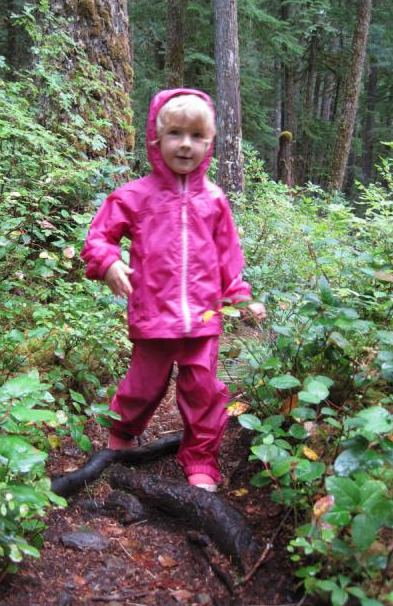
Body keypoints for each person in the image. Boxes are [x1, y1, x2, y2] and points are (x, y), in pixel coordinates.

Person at [81, 88, 266, 491]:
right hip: (153, 313)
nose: (186, 145)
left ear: (209, 143)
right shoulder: (135, 196)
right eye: (176, 134)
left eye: (197, 136)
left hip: (204, 317)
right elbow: (99, 237)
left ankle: (200, 458)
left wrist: (241, 296)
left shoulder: (213, 200)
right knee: (143, 386)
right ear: (156, 138)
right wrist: (109, 262)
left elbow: (227, 257)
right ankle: (123, 433)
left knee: (204, 391)